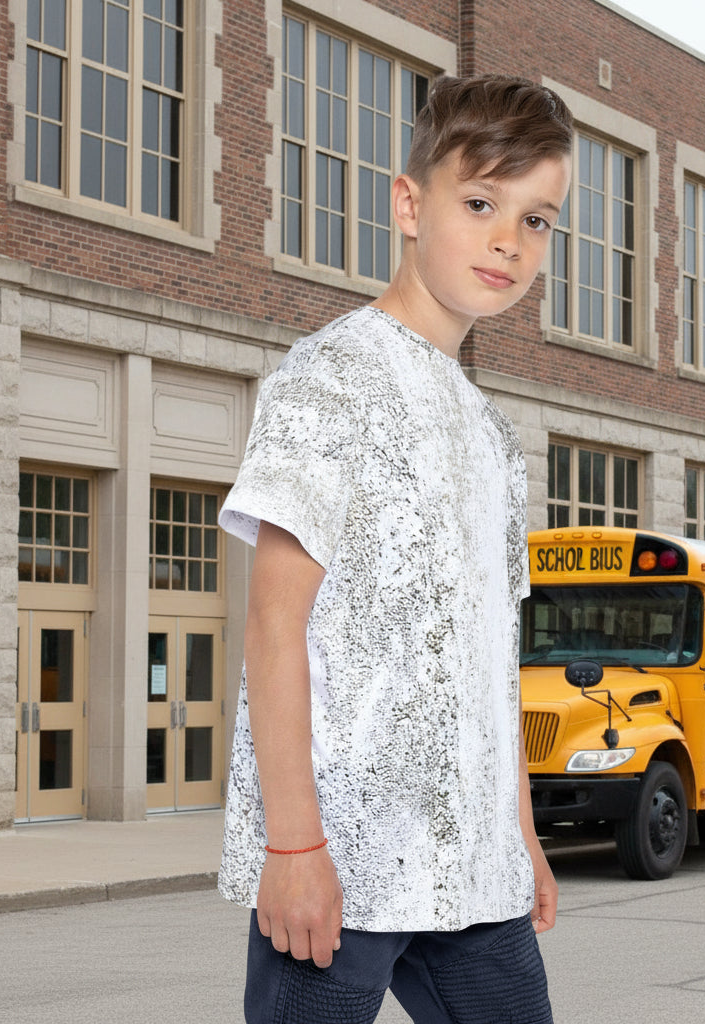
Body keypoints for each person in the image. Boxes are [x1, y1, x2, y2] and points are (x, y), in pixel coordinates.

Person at [217, 74, 574, 1023]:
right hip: (347, 859)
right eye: (483, 203)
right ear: (410, 204)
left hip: (476, 869)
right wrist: (293, 848)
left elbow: (494, 660)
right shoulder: (326, 381)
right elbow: (272, 626)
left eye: (538, 220)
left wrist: (523, 834)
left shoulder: (494, 435)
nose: (509, 240)